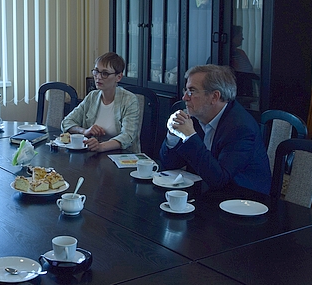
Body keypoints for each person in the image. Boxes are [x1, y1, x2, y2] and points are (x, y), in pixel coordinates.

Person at [159, 64, 271, 194]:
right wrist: (173, 134)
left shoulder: (240, 128)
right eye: (186, 90)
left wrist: (189, 136)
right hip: (207, 192)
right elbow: (169, 165)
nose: (185, 97)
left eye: (192, 91)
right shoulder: (196, 116)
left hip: (243, 197)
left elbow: (219, 179)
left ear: (214, 97)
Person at [61, 52, 139, 152]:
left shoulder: (129, 100)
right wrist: (84, 131)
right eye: (96, 71)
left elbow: (128, 136)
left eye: (105, 73)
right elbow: (66, 122)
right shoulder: (92, 97)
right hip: (93, 155)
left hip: (122, 156)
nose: (98, 77)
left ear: (118, 77)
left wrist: (101, 146)